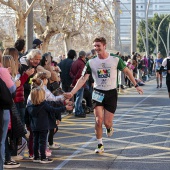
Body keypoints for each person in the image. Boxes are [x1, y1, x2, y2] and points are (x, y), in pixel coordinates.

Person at [64, 37, 143, 153]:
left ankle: (109, 127)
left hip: (111, 93)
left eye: (98, 46)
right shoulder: (91, 62)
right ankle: (100, 144)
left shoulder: (115, 59)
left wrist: (136, 85)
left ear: (104, 46)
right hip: (97, 92)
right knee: (98, 120)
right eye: (95, 46)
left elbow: (127, 71)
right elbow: (82, 79)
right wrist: (72, 93)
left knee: (107, 122)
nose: (96, 48)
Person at [27, 86, 73, 163]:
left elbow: (26, 117)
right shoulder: (44, 104)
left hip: (34, 126)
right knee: (42, 142)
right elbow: (54, 110)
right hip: (43, 126)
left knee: (35, 141)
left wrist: (28, 125)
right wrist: (65, 108)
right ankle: (43, 157)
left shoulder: (29, 105)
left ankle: (36, 157)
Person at [69, 51, 87, 118]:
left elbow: (70, 72)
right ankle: (78, 111)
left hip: (75, 81)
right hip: (80, 82)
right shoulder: (81, 63)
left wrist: (73, 79)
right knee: (79, 97)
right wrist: (75, 80)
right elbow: (80, 74)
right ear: (83, 56)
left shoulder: (74, 62)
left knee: (77, 97)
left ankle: (78, 110)